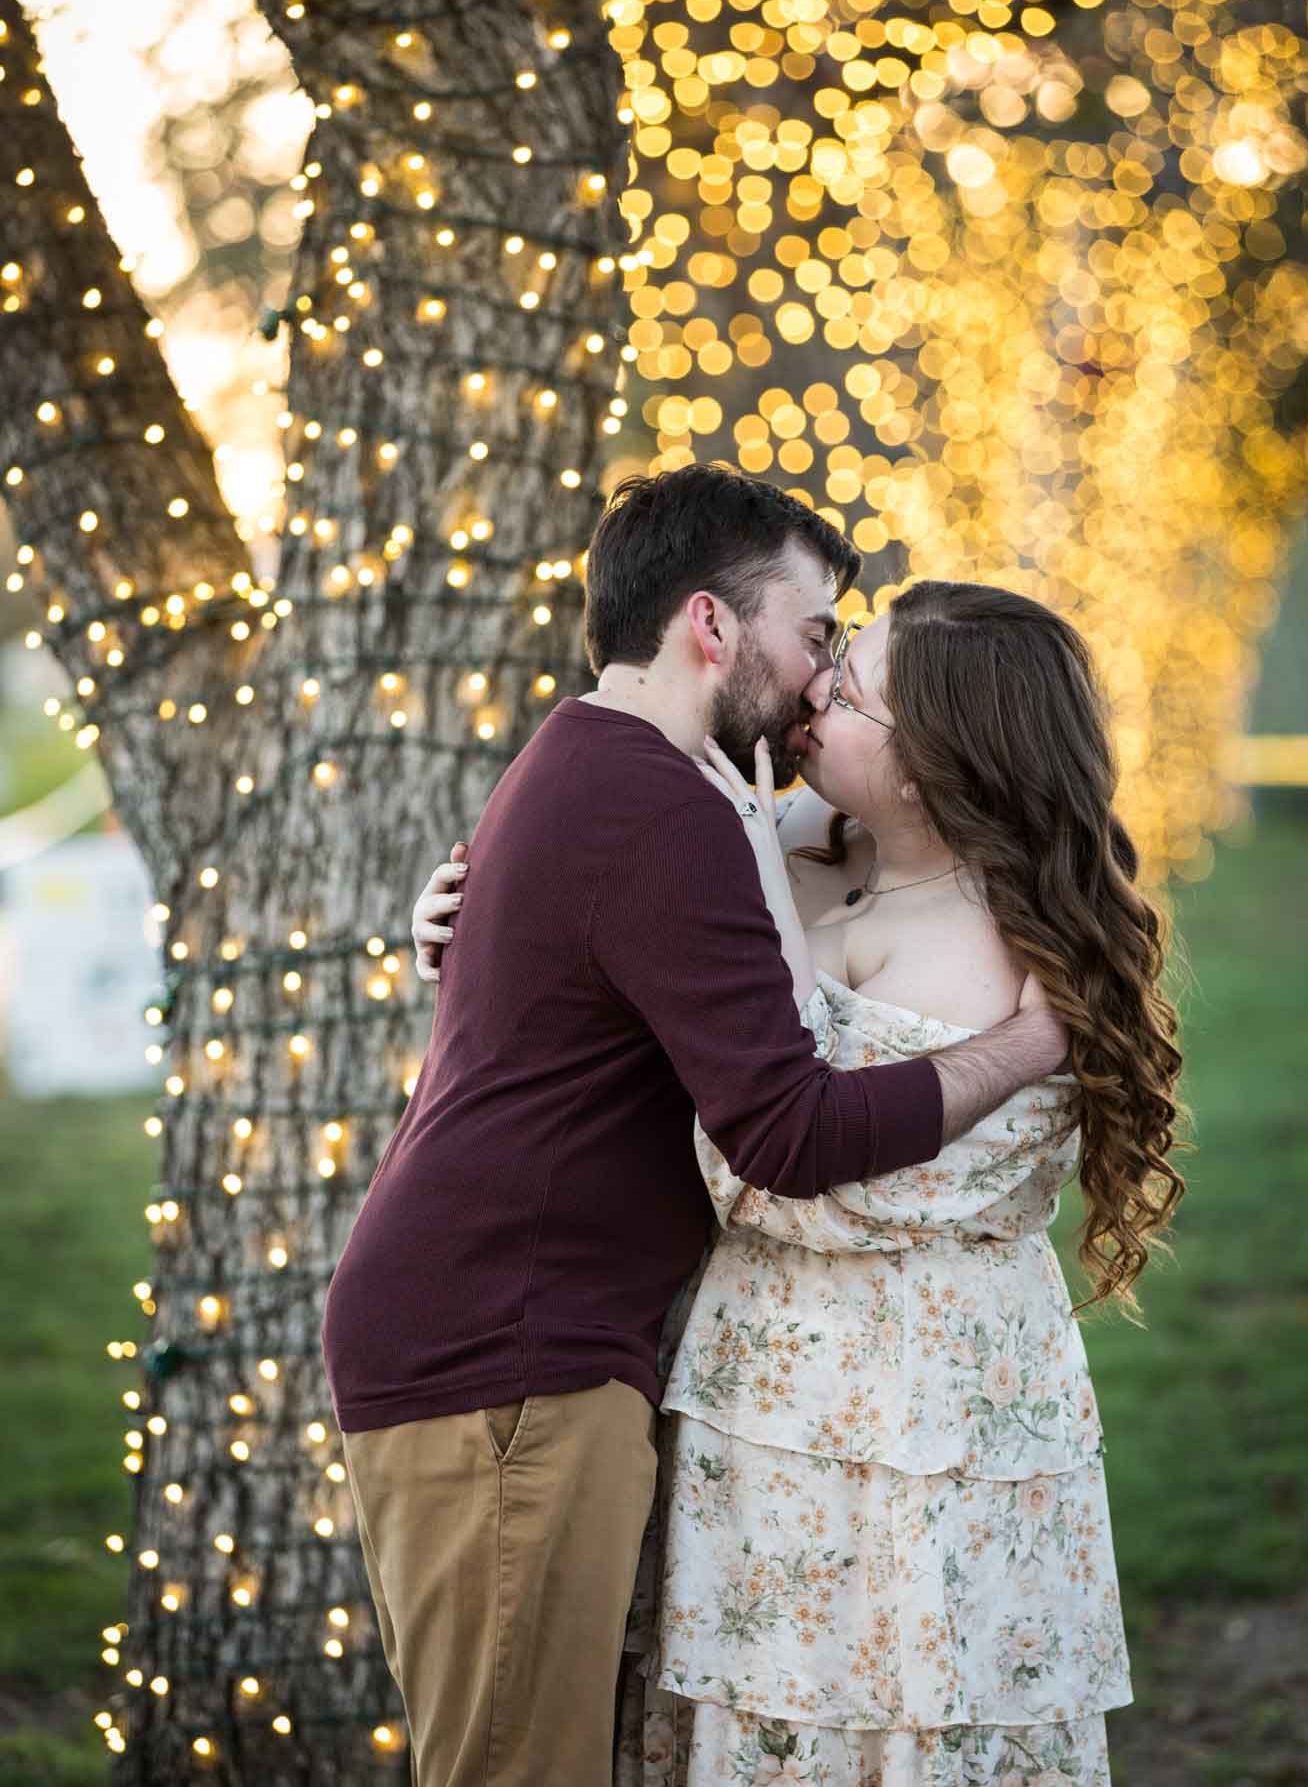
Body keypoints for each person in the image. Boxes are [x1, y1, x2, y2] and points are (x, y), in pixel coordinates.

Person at [322, 465, 1069, 1787]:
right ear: (714, 630)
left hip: (499, 1335)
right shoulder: (666, 809)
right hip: (509, 1358)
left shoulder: (602, 763)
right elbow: (787, 1132)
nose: (818, 674)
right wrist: (1025, 1041)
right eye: (814, 635)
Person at [420, 580, 1188, 1787]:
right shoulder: (803, 848)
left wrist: (1026, 1049)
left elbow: (787, 1171)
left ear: (940, 760)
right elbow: (635, 971)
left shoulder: (990, 948)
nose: (812, 691)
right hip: (756, 1390)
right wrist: (475, 921)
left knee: (891, 1717)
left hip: (909, 1413)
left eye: (852, 685)